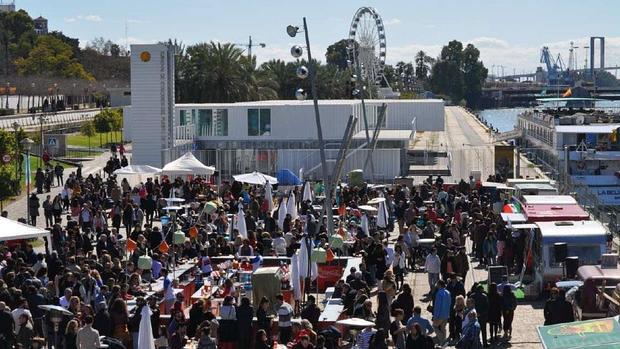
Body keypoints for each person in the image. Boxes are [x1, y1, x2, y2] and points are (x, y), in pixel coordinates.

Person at [432, 279, 451, 346]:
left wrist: (435, 316)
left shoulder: (439, 293)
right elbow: (449, 304)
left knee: (434, 326)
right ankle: (443, 341)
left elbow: (437, 306)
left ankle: (442, 339)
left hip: (440, 315)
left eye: (437, 284)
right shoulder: (448, 292)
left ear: (439, 285)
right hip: (446, 314)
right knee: (443, 328)